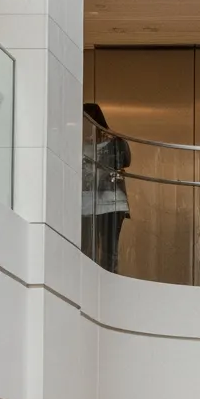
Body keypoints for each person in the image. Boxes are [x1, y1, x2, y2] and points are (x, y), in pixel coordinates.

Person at [83, 103, 131, 272]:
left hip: (111, 203)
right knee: (85, 249)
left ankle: (109, 280)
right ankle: (87, 279)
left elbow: (125, 161)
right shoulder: (76, 144)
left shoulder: (114, 142)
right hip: (85, 204)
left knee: (108, 251)